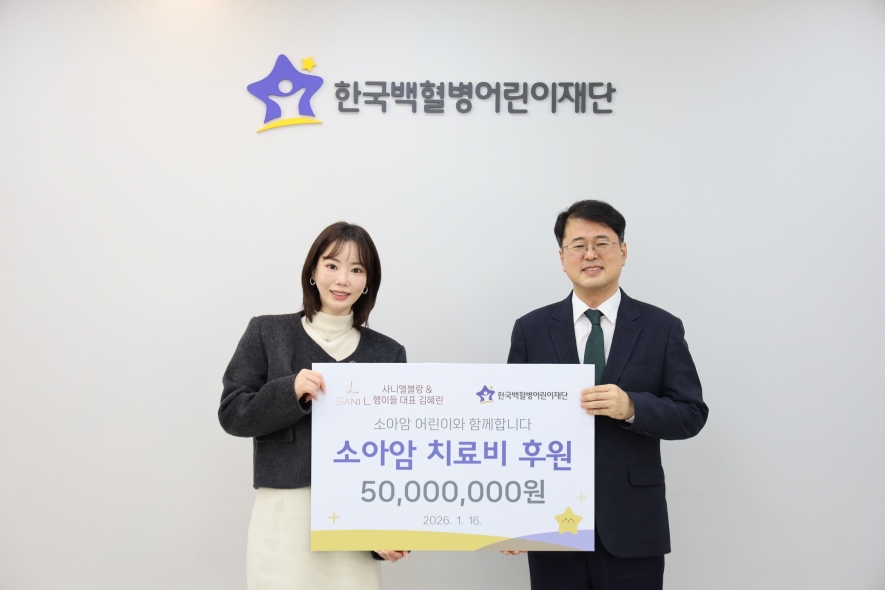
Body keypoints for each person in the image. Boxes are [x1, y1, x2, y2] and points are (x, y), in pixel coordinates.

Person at [503, 200, 708, 590]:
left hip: (632, 524)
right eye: (578, 245)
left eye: (602, 243)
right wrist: (514, 517)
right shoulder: (530, 330)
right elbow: (512, 427)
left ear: (623, 252)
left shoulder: (661, 328)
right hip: (552, 523)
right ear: (562, 258)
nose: (590, 254)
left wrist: (632, 407)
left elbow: (691, 413)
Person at [218, 222, 409, 590]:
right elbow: (232, 413)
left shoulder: (388, 353)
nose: (342, 279)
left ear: (368, 282)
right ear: (312, 270)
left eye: (357, 269)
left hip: (355, 518)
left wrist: (392, 530)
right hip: (285, 517)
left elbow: (399, 450)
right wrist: (287, 392)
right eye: (332, 265)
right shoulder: (267, 333)